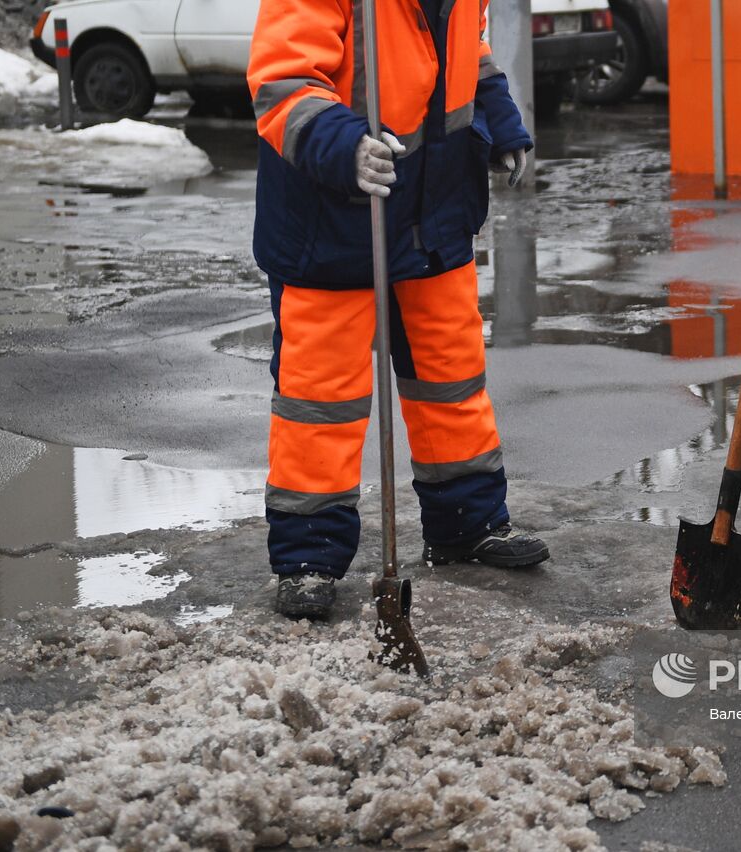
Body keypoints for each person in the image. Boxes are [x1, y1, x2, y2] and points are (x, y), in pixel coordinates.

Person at [248, 0, 550, 618]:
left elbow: (468, 51)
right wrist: (345, 147)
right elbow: (283, 81)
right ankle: (309, 556)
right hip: (331, 216)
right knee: (320, 396)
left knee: (451, 374)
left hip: (434, 209)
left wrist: (501, 121)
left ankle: (468, 523)